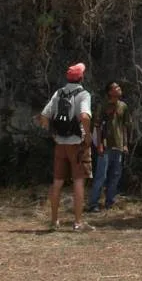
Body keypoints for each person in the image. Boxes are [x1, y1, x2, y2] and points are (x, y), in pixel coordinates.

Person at [38, 62, 93, 231]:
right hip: (77, 144)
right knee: (78, 182)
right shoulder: (83, 94)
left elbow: (44, 116)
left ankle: (54, 221)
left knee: (57, 182)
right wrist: (88, 135)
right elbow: (84, 115)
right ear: (81, 77)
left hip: (60, 144)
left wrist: (53, 134)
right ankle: (77, 223)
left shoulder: (58, 93)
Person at [88, 81, 129, 213]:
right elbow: (98, 126)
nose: (119, 89)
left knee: (116, 175)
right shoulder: (103, 106)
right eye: (116, 88)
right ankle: (93, 203)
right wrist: (99, 144)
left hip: (118, 146)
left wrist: (125, 144)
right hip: (105, 146)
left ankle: (109, 202)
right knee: (101, 176)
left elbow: (124, 126)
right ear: (110, 92)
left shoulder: (123, 106)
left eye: (119, 87)